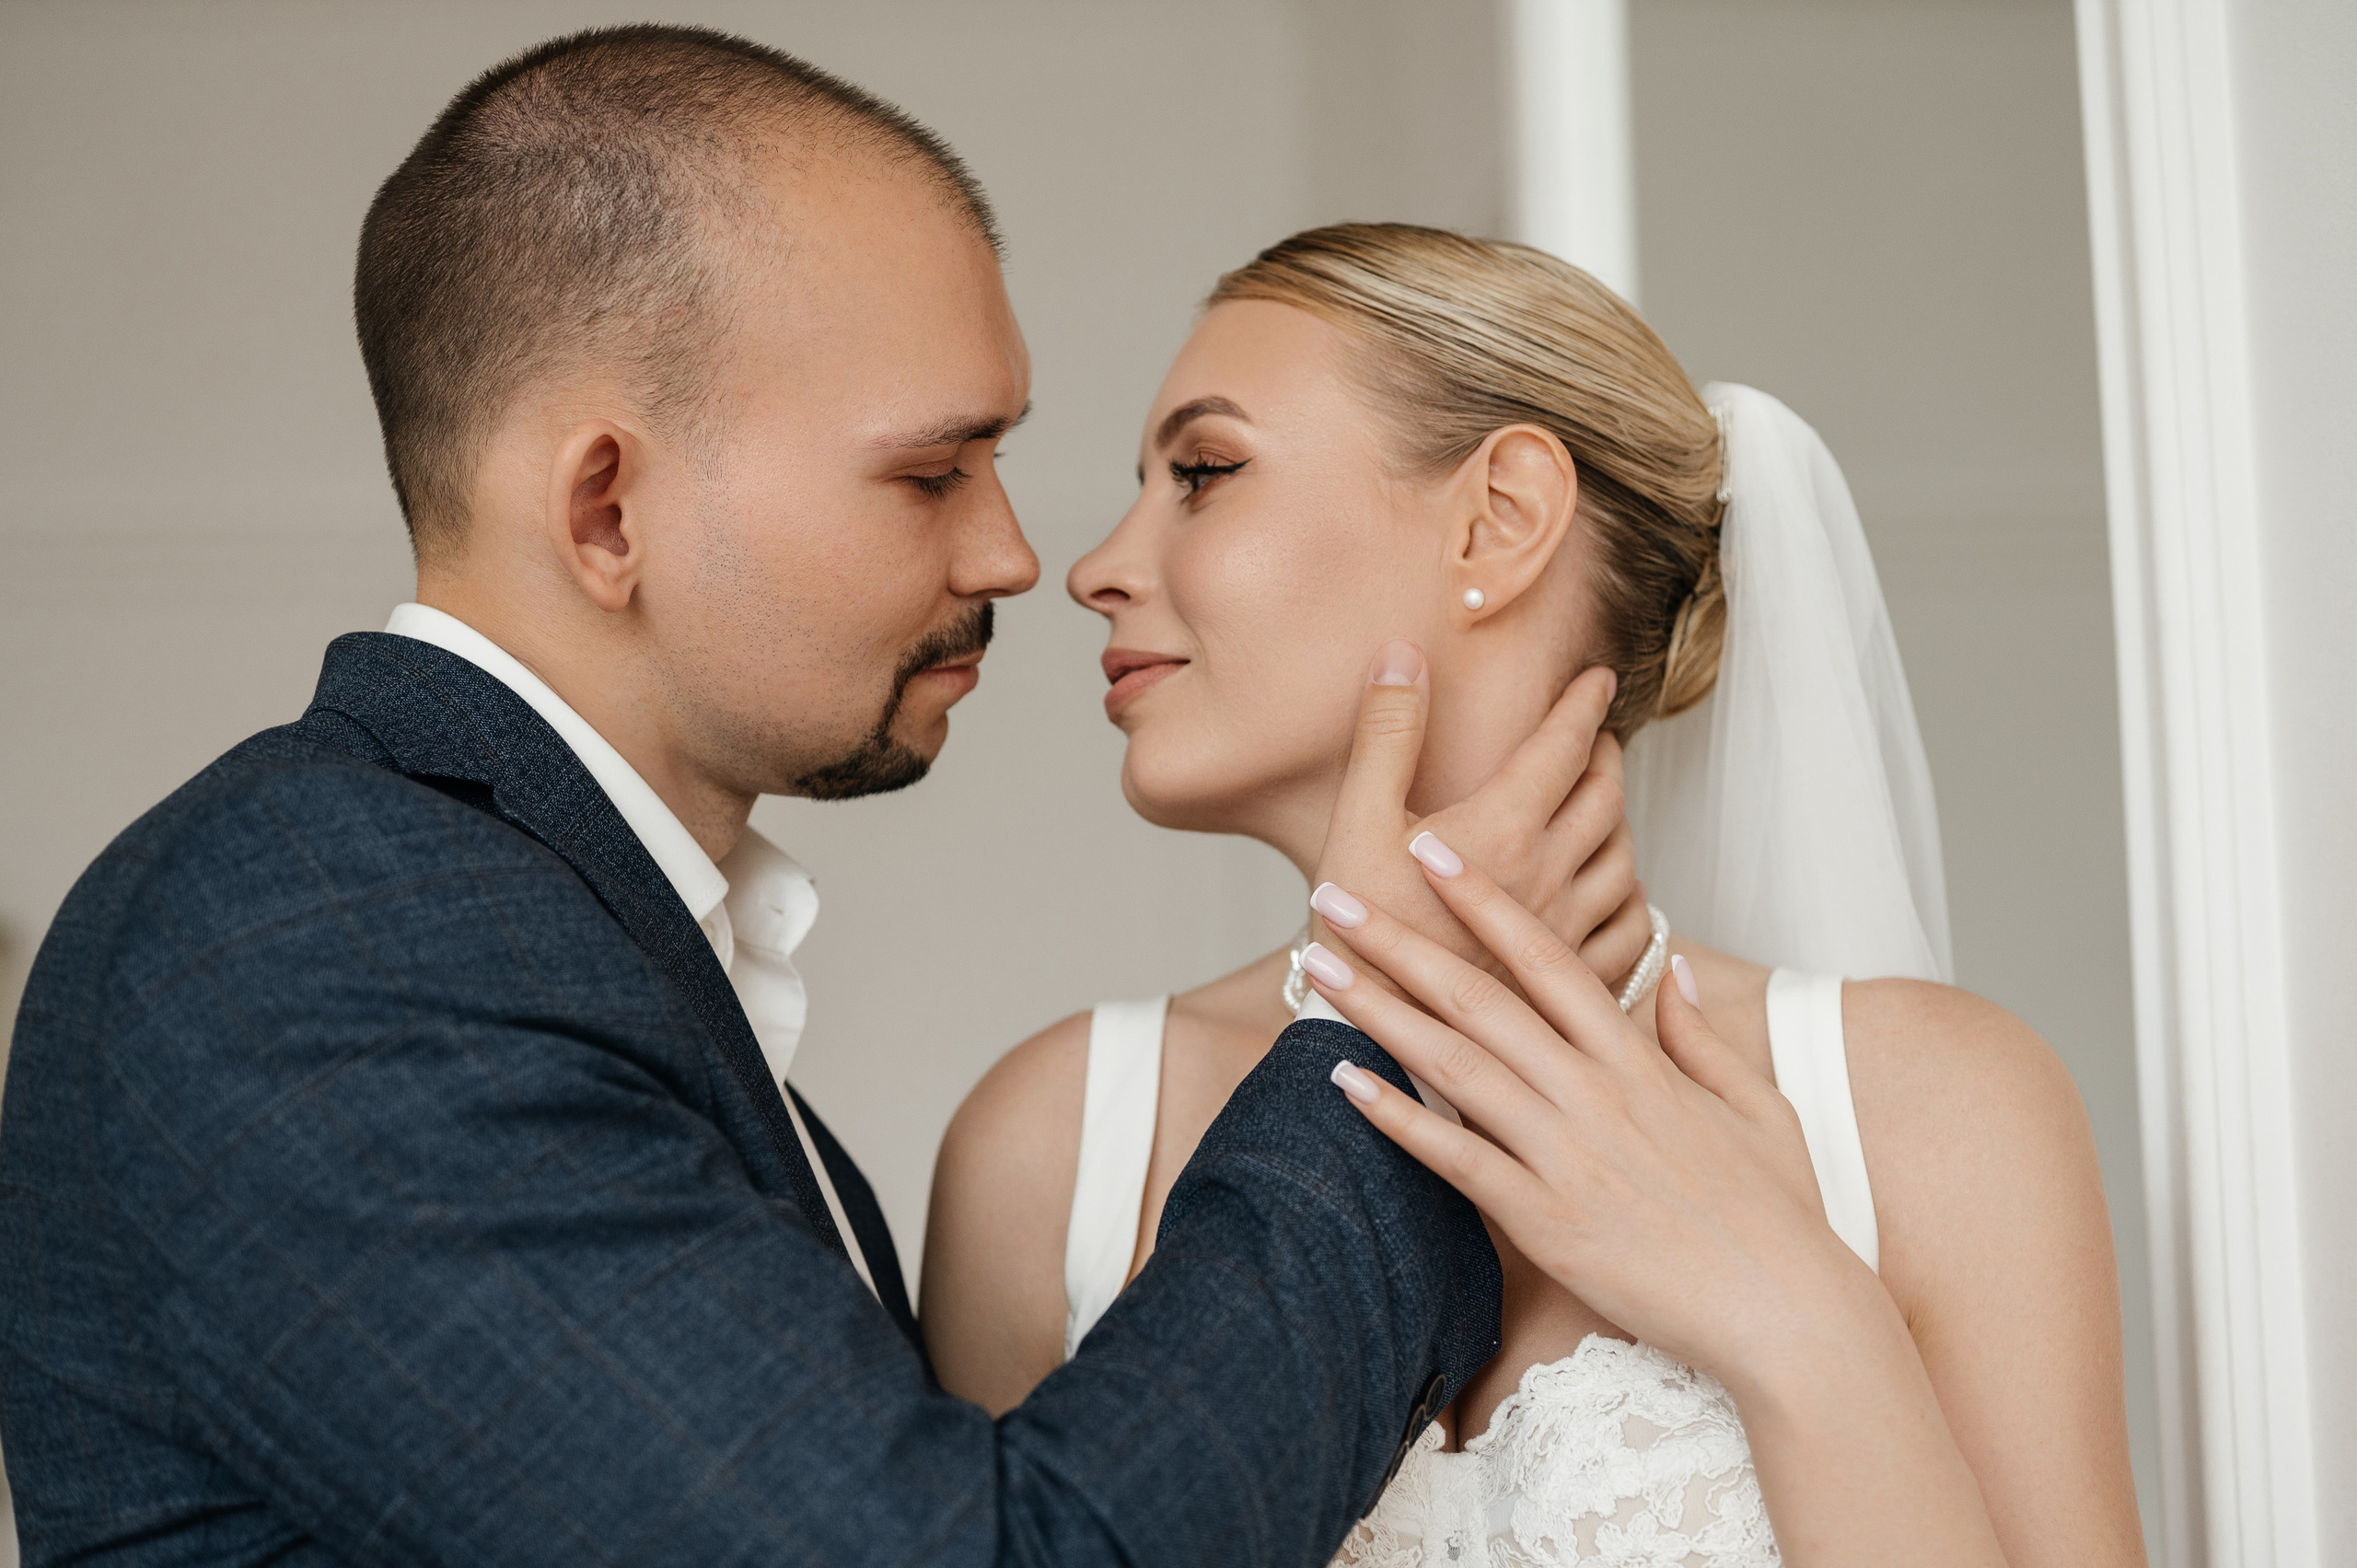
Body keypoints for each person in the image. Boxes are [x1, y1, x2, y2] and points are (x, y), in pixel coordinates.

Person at [0, 32, 1645, 1568]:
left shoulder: (537, 931)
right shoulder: (323, 940)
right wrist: (1388, 1032)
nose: (1016, 556)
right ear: (606, 509)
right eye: (931, 472)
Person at [923, 225, 2147, 1565]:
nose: (1096, 564)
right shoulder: (1057, 1142)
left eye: (1203, 473)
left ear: (1498, 519)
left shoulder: (1939, 1110)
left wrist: (1795, 1313)